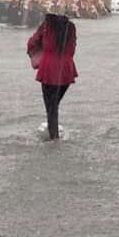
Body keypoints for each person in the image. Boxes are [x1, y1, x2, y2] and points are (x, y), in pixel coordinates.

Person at [26, 10, 78, 140]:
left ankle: (53, 138)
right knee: (54, 106)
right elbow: (72, 49)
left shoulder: (46, 26)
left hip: (48, 69)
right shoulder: (70, 27)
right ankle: (54, 136)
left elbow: (31, 43)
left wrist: (41, 50)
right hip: (66, 70)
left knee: (51, 107)